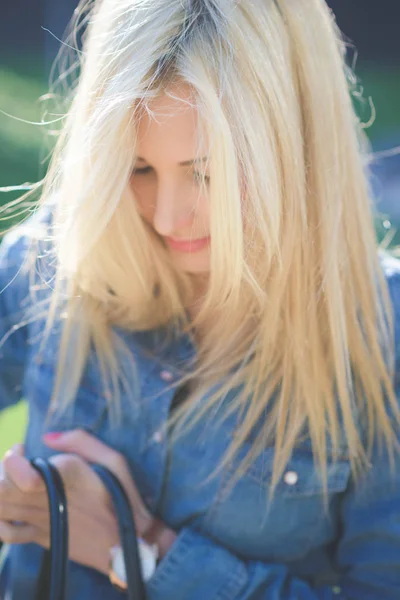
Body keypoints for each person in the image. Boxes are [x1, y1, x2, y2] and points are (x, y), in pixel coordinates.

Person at [0, 0, 399, 598]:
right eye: (137, 169)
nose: (165, 217)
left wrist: (137, 549)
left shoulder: (381, 333)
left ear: (296, 148)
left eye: (206, 172)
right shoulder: (57, 257)